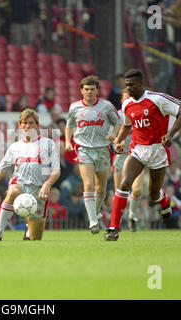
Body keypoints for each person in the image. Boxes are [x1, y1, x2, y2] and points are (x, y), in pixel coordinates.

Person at [104, 69, 181, 241]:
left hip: (158, 150)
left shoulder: (157, 99)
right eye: (126, 86)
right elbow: (127, 125)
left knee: (153, 193)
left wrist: (170, 135)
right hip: (138, 149)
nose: (128, 89)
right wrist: (119, 141)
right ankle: (113, 229)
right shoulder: (127, 104)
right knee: (124, 183)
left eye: (132, 85)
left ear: (141, 84)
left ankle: (165, 203)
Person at [0, 109, 61, 241]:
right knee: (12, 191)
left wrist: (47, 184)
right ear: (20, 125)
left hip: (39, 191)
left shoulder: (48, 144)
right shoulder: (14, 147)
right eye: (24, 123)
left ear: (37, 125)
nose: (27, 126)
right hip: (20, 184)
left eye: (31, 123)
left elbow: (56, 170)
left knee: (34, 239)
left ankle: (29, 228)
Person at [65, 75, 121, 233]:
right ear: (81, 90)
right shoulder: (75, 107)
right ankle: (93, 222)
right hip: (84, 149)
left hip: (103, 149)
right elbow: (69, 125)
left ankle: (95, 211)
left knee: (101, 189)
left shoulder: (106, 106)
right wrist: (69, 141)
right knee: (88, 184)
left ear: (97, 90)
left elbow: (118, 122)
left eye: (92, 89)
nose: (89, 92)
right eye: (86, 89)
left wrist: (114, 135)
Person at [112, 89, 146, 232]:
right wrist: (116, 141)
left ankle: (132, 215)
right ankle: (117, 222)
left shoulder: (140, 114)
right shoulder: (116, 116)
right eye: (125, 98)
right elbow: (111, 135)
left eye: (130, 98)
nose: (128, 101)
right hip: (121, 157)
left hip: (137, 155)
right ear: (121, 100)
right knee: (120, 192)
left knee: (137, 190)